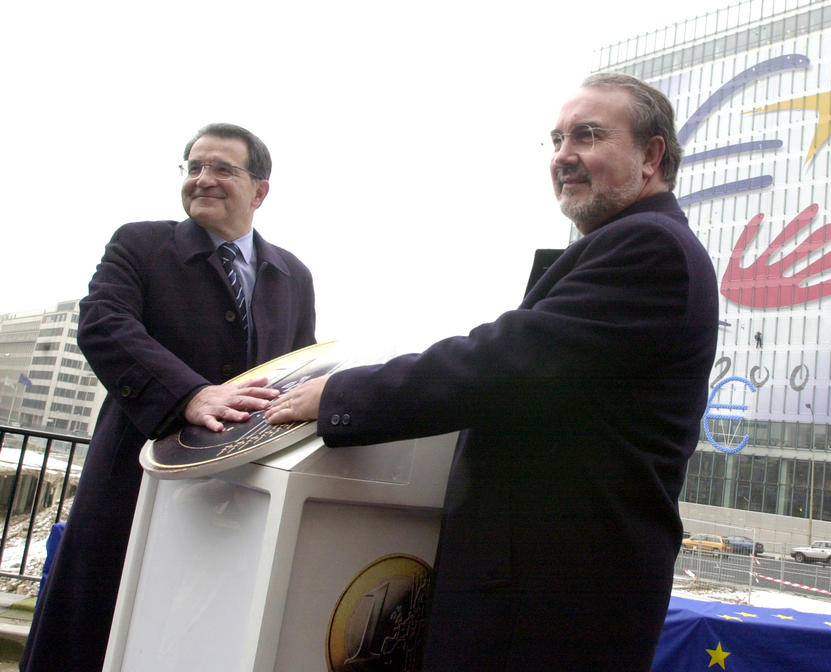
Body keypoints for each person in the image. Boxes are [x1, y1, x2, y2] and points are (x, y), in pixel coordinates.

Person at [266, 73, 718, 671]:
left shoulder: (650, 248)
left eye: (588, 135)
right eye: (556, 140)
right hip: (541, 599)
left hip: (552, 609)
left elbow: (503, 365)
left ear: (651, 155)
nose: (564, 156)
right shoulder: (629, 245)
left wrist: (337, 394)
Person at [21, 123, 317, 672]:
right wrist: (190, 394)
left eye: (222, 169)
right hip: (132, 480)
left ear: (260, 190)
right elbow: (104, 325)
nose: (203, 179)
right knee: (92, 628)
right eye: (193, 167)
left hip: (233, 496)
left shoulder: (292, 276)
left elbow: (294, 371)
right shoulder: (139, 243)